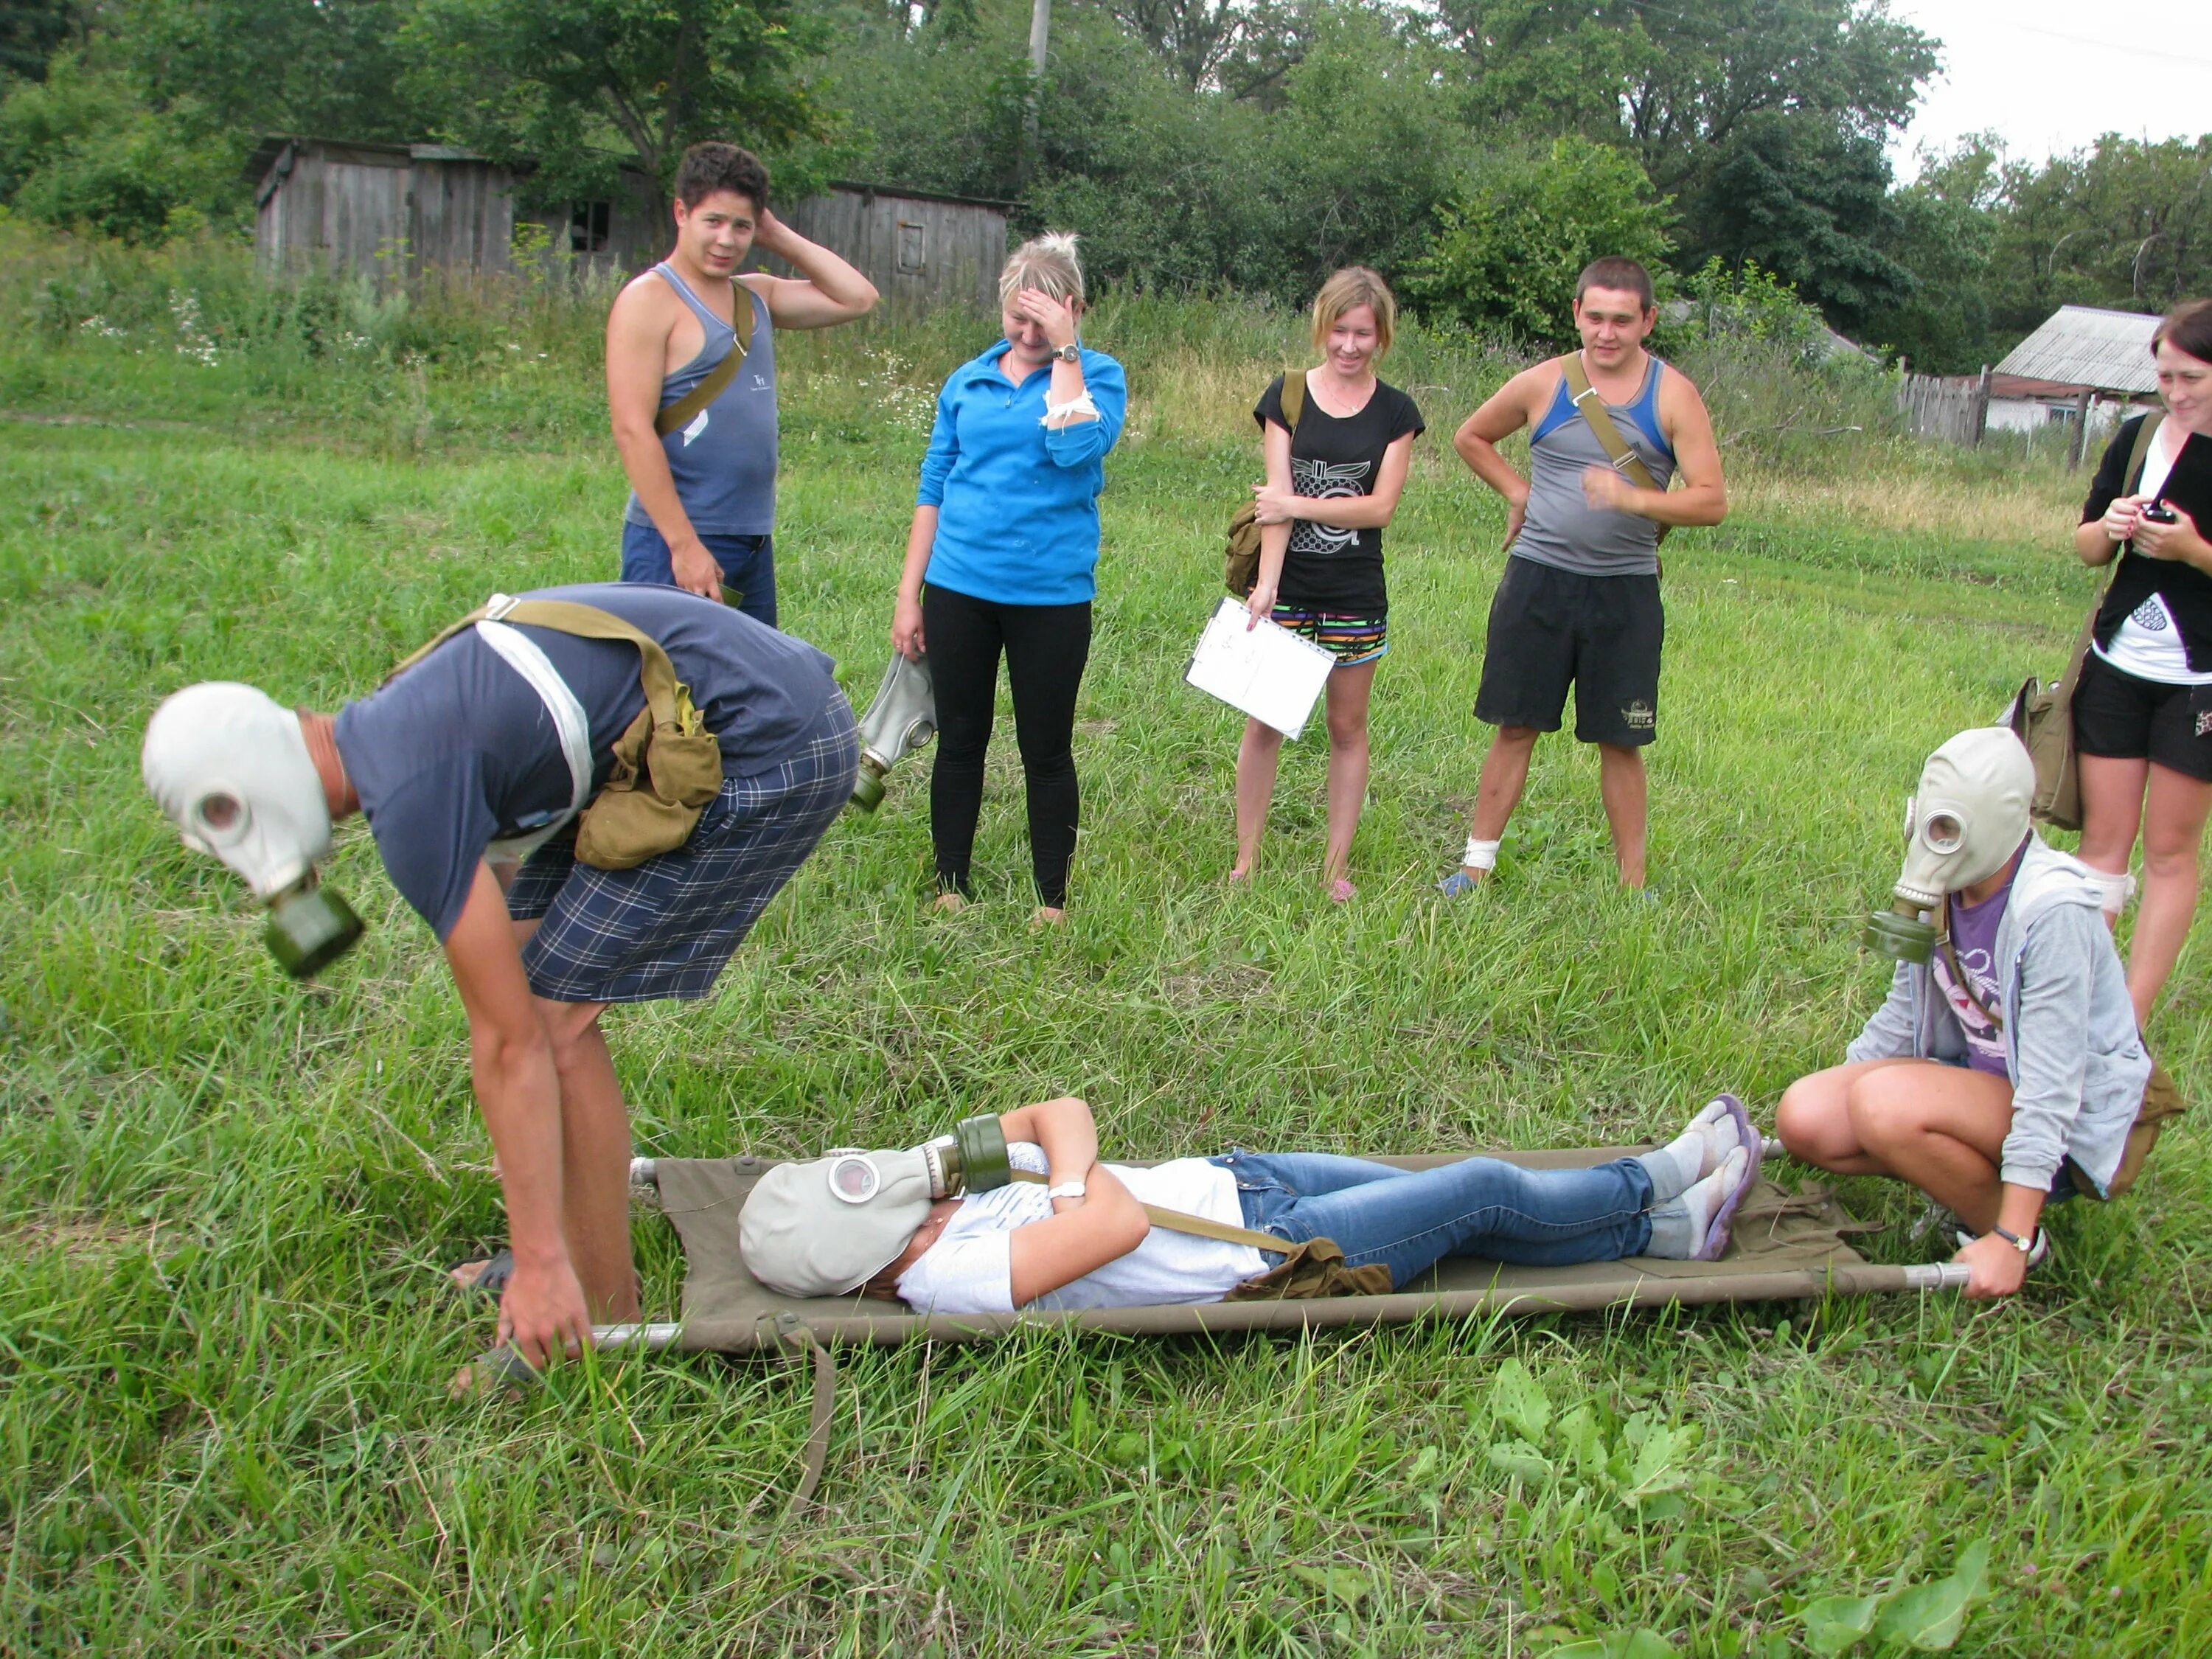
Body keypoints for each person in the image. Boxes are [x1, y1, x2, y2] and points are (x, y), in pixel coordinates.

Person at [142, 584, 859, 1369]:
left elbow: (514, 1045)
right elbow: (509, 961)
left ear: (234, 801)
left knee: (554, 1029)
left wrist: (543, 1254)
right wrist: (529, 1181)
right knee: (535, 991)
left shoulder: (410, 798)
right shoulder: (389, 733)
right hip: (696, 712)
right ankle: (561, 1261)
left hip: (775, 732)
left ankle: (597, 1316)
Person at [740, 1093, 1761, 1313]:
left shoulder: (940, 1206)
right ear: (871, 1266)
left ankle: (1667, 1232)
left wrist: (1047, 1176)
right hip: (1268, 1248)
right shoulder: (947, 1277)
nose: (914, 1199)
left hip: (1238, 1176)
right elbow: (1118, 1222)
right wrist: (1068, 1185)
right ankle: (1656, 1178)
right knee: (1484, 1190)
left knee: (1452, 1202)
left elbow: (1063, 1112)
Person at [1775, 726, 2152, 1300]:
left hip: (2069, 1116)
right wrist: (1843, 1086)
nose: (1935, 844)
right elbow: (1907, 1013)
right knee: (1807, 1116)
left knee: (1884, 1107)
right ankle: (1952, 1174)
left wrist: (2013, 1236)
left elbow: (2053, 1087)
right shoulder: (1947, 889)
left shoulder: (2054, 914)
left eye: (1949, 830)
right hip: (1979, 1090)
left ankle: (2009, 1233)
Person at [1439, 257, 1726, 895]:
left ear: (1648, 321)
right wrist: (1519, 493)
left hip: (1624, 590)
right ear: (1576, 314)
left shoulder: (1673, 394)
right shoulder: (1544, 383)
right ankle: (1474, 868)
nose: (1607, 332)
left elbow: (1711, 500)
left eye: (1623, 320)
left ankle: (1633, 886)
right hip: (1537, 581)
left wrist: (1635, 501)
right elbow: (1471, 437)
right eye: (1594, 316)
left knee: (1621, 740)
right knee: (1516, 726)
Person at [889, 232, 1127, 924]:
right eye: (1016, 319)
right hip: (959, 586)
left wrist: (1066, 351)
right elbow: (933, 484)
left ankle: (1051, 898)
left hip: (1050, 595)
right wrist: (911, 595)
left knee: (1044, 748)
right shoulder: (968, 381)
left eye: (1042, 320)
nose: (1026, 334)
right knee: (961, 739)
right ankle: (949, 883)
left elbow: (1072, 446)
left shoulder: (1098, 377)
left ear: (1073, 310)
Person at [607, 142, 878, 625]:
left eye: (742, 226)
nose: (727, 240)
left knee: (750, 692)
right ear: (681, 213)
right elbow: (632, 429)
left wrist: (774, 233)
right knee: (670, 694)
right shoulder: (651, 299)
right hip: (680, 541)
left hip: (751, 540)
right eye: (713, 221)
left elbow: (857, 297)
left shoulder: (754, 296)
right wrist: (683, 545)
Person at [1232, 268, 1425, 901]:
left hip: (1355, 594)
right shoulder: (1287, 396)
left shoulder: (1398, 412)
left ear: (1382, 336)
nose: (1349, 345)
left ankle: (1334, 867)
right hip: (1290, 589)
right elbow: (1272, 508)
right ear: (1322, 327)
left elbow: (1379, 509)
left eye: (1362, 333)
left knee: (1348, 728)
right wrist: (1265, 585)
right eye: (1339, 330)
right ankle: (1246, 859)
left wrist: (1298, 505)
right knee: (1266, 725)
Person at [2070, 297, 2212, 1027]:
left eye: (2191, 378)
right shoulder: (2139, 437)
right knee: (2104, 841)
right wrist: (2111, 524)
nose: (2176, 393)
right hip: (2119, 659)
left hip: (2199, 681)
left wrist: (2192, 550)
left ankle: (2130, 1012)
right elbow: (2087, 547)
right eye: (2165, 376)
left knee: (2168, 849)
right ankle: (2086, 998)